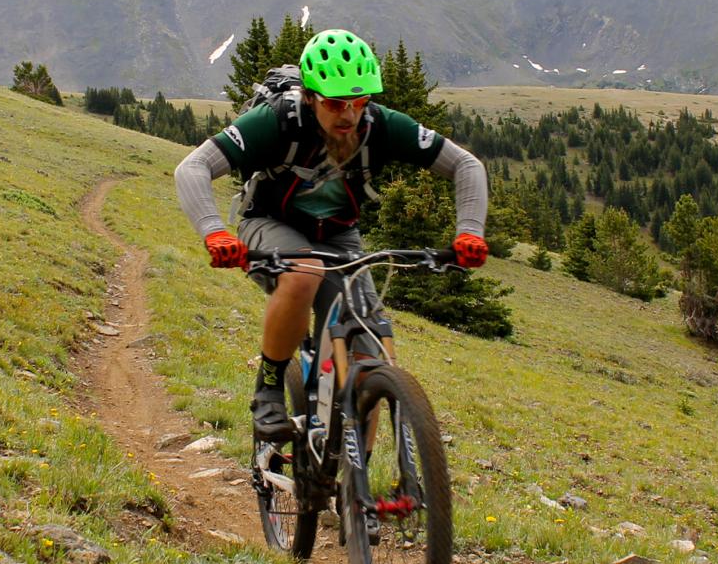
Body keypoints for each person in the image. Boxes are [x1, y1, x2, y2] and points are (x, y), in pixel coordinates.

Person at [174, 28, 488, 445]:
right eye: (336, 103)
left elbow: (466, 166)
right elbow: (192, 168)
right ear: (309, 96)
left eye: (360, 102)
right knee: (306, 272)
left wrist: (469, 232)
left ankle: (354, 499)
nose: (349, 116)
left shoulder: (381, 126)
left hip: (340, 237)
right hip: (268, 223)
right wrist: (214, 232)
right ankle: (269, 389)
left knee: (369, 352)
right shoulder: (276, 121)